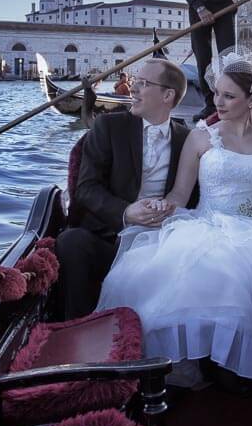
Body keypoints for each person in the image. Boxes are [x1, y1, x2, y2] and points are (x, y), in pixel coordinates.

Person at [96, 51, 252, 386]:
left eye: (229, 96)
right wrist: (159, 208)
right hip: (206, 223)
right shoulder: (201, 136)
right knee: (214, 267)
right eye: (216, 92)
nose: (218, 101)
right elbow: (178, 195)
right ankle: (207, 360)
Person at [55, 59, 196, 320]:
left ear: (168, 95)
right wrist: (126, 212)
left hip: (164, 241)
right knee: (72, 242)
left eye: (143, 83)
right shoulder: (108, 127)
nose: (133, 89)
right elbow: (86, 188)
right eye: (135, 81)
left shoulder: (187, 139)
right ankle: (80, 329)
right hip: (110, 236)